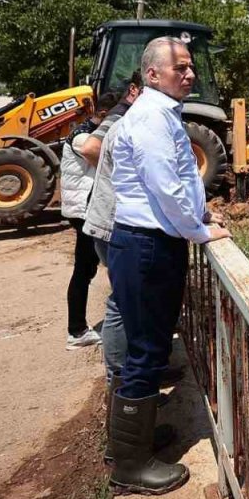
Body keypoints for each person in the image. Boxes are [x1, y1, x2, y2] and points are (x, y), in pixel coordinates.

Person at [106, 37, 230, 495]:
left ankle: (130, 442)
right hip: (147, 246)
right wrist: (199, 231)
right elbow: (166, 186)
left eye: (190, 66)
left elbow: (179, 182)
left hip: (146, 243)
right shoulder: (153, 118)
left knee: (148, 347)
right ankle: (130, 466)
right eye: (180, 67)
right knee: (146, 352)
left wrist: (200, 216)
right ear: (153, 74)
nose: (189, 74)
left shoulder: (160, 113)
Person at [81, 71, 144, 377]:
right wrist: (119, 180)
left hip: (109, 221)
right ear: (134, 89)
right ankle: (119, 377)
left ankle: (134, 370)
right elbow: (90, 148)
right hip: (111, 223)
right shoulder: (120, 117)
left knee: (130, 299)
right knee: (123, 300)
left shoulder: (128, 117)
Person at [61, 90, 122, 349]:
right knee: (85, 270)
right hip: (85, 211)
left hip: (85, 209)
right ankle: (77, 331)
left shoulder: (87, 131)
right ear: (105, 115)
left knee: (86, 268)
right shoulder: (83, 137)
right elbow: (108, 162)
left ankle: (78, 329)